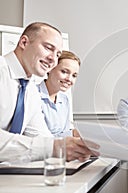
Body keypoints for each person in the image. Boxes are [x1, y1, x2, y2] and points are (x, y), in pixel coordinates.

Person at [0, 22, 95, 162]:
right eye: (48, 48)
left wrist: (75, 148)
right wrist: (55, 147)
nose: (53, 59)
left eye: (57, 54)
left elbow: (40, 136)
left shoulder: (29, 88)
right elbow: (49, 146)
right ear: (24, 42)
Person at [38, 50, 80, 137]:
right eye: (64, 72)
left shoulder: (64, 100)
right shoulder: (33, 94)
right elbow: (38, 138)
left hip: (61, 149)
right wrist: (73, 134)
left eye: (74, 75)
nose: (69, 79)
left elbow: (64, 132)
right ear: (50, 69)